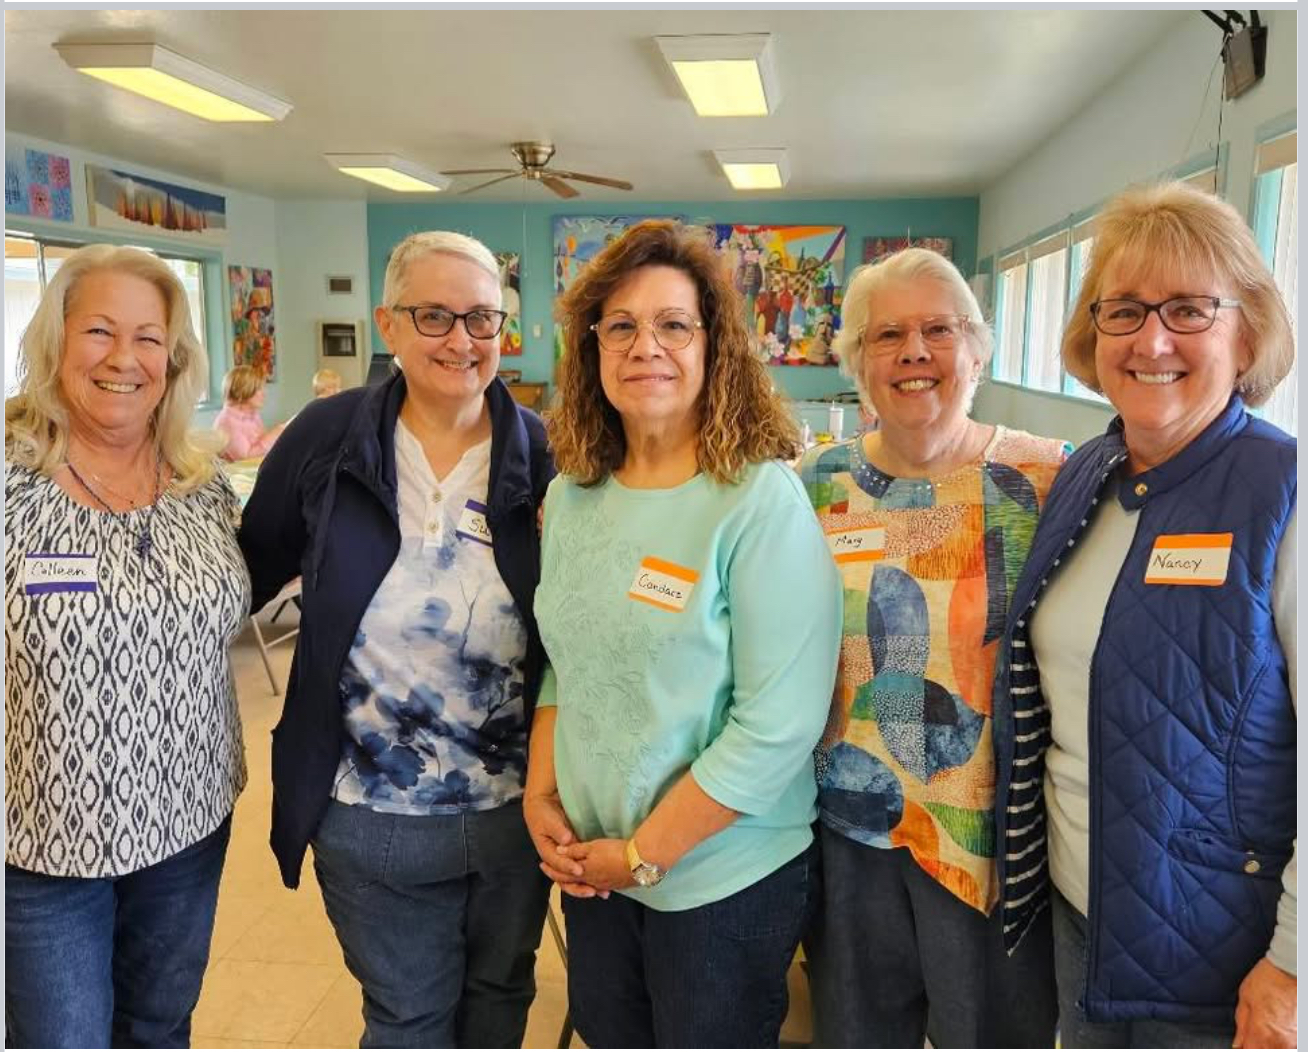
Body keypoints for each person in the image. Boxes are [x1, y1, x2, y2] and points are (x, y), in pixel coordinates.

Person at [993, 181, 1297, 1049]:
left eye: (1190, 310)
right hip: (1080, 914)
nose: (1152, 340)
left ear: (1247, 333)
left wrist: (1294, 963)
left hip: (1221, 953)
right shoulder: (1087, 475)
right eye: (1124, 310)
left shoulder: (1283, 490)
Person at [525, 219, 842, 1048]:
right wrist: (540, 794)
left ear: (714, 346)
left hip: (719, 880)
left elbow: (778, 726)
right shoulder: (571, 497)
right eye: (621, 326)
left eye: (673, 324)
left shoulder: (757, 501)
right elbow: (566, 663)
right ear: (592, 348)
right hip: (595, 868)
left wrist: (643, 854)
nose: (646, 347)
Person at [239, 230, 554, 1048]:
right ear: (388, 324)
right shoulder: (328, 436)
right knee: (408, 1019)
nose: (461, 339)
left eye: (481, 318)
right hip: (369, 812)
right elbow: (249, 570)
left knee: (499, 1003)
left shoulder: (544, 453)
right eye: (433, 315)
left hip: (516, 811)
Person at [799, 247, 1067, 1048]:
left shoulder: (1046, 477)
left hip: (993, 837)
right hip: (847, 826)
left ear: (976, 352)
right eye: (887, 336)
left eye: (939, 330)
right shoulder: (812, 485)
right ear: (857, 362)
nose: (914, 352)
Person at [4, 245, 248, 1047]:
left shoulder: (200, 484)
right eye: (99, 331)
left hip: (189, 821)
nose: (124, 358)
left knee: (160, 1027)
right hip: (40, 842)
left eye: (149, 338)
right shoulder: (10, 482)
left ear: (173, 360)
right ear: (56, 341)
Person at [212, 363, 285, 460]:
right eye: (259, 389)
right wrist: (276, 433)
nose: (264, 393)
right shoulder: (226, 422)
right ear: (243, 390)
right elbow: (246, 458)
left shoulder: (253, 414)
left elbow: (262, 447)